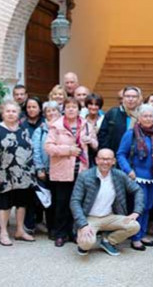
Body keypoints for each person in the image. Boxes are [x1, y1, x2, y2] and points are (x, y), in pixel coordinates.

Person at [70, 148, 143, 256]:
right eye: (102, 159)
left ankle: (108, 241)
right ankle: (85, 238)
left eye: (108, 159)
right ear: (96, 160)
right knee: (85, 244)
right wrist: (83, 224)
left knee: (134, 225)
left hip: (110, 216)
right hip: (89, 218)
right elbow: (75, 201)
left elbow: (137, 190)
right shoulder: (84, 176)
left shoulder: (119, 175)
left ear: (113, 161)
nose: (105, 162)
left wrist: (136, 211)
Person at [45, 97, 98, 247]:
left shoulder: (86, 125)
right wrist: (68, 150)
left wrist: (91, 141)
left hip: (81, 170)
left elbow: (95, 144)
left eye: (74, 107)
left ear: (79, 109)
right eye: (68, 107)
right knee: (62, 203)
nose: (71, 109)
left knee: (77, 204)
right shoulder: (56, 126)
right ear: (64, 109)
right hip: (62, 171)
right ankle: (61, 234)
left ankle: (74, 232)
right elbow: (48, 147)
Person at [116, 104, 153, 250]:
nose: (148, 118)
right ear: (139, 118)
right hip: (137, 177)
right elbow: (120, 154)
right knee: (140, 206)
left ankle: (142, 233)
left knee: (148, 206)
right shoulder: (131, 134)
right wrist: (128, 170)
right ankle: (135, 237)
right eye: (145, 116)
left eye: (150, 116)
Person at [0, 100, 36, 246]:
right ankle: (3, 232)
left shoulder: (23, 129)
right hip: (4, 173)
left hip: (23, 174)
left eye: (14, 111)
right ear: (2, 113)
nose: (11, 114)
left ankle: (20, 230)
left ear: (18, 114)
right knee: (4, 204)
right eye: (8, 111)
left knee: (22, 203)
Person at [32, 101, 61, 238]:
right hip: (46, 171)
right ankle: (52, 229)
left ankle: (63, 228)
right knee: (49, 202)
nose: (51, 113)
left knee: (61, 200)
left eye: (54, 110)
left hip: (62, 171)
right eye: (48, 111)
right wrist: (39, 168)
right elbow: (36, 150)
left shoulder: (63, 128)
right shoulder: (40, 130)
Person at [99, 86, 141, 152]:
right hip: (115, 154)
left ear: (138, 99)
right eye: (127, 96)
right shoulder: (113, 113)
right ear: (123, 98)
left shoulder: (143, 115)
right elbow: (103, 134)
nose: (130, 99)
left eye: (134, 96)